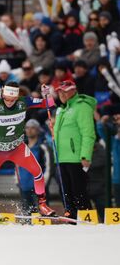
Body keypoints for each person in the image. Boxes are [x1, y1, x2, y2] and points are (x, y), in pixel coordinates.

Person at [0, 82, 57, 225]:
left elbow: (49, 104)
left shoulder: (24, 102)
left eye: (12, 100)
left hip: (16, 148)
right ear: (2, 95)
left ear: (17, 97)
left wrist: (47, 94)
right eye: (6, 99)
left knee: (37, 171)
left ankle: (43, 204)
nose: (9, 102)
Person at [53, 80, 97, 219]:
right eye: (60, 91)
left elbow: (88, 133)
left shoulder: (82, 107)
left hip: (76, 158)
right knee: (66, 195)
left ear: (73, 91)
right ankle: (71, 221)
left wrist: (85, 156)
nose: (62, 94)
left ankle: (87, 222)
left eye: (65, 91)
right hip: (61, 158)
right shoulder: (62, 109)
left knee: (79, 194)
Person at [17, 119, 52, 215]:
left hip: (39, 188)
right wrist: (17, 180)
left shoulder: (42, 147)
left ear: (38, 130)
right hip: (24, 186)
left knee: (42, 215)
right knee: (27, 215)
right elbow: (17, 166)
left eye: (32, 128)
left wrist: (44, 182)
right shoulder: (22, 148)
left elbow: (48, 166)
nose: (29, 130)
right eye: (27, 128)